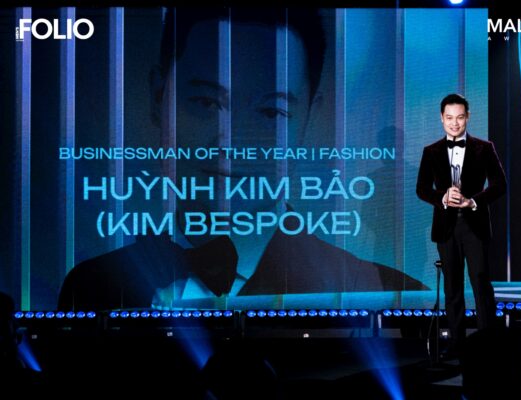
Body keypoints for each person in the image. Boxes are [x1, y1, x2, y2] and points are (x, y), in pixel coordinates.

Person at [58, 9, 427, 311]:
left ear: (309, 118)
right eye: (207, 103)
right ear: (159, 96)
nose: (232, 143)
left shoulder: (389, 294)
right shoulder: (90, 287)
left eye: (271, 112)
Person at [416, 94, 506, 358]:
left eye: (459, 117)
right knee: (452, 286)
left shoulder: (484, 148)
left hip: (474, 225)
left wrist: (473, 201)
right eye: (449, 118)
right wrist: (443, 197)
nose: (454, 123)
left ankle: (488, 344)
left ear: (468, 117)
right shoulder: (431, 151)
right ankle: (457, 343)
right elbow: (422, 188)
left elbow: (500, 184)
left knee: (480, 283)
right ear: (441, 118)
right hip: (446, 227)